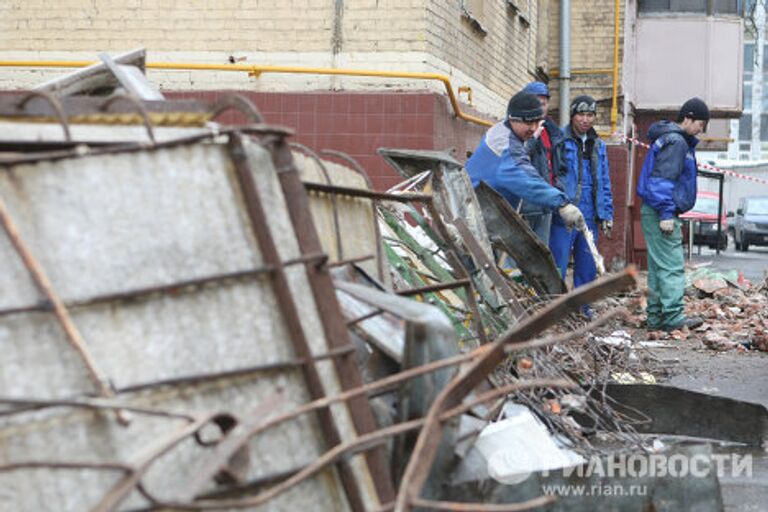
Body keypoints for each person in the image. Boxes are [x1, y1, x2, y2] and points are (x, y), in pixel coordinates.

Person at [465, 91, 585, 236]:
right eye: (529, 122)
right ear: (512, 118)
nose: (534, 128)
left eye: (537, 122)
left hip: (482, 211)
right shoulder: (505, 146)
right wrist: (562, 203)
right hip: (474, 215)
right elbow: (526, 177)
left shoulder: (504, 132)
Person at [637, 97, 709, 332]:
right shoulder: (677, 142)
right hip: (662, 210)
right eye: (700, 123)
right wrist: (667, 212)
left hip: (654, 209)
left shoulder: (670, 139)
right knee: (671, 265)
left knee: (659, 267)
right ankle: (673, 317)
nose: (702, 129)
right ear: (687, 118)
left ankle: (656, 317)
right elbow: (662, 180)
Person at [549, 95, 614, 293]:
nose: (585, 120)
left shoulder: (598, 145)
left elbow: (604, 180)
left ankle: (582, 309)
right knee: (557, 263)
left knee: (587, 265)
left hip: (590, 214)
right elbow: (552, 176)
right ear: (572, 116)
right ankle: (554, 308)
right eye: (581, 115)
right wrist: (559, 205)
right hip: (564, 211)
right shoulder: (559, 139)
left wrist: (607, 214)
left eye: (590, 115)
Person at [520, 81, 563, 244]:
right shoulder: (516, 127)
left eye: (543, 104)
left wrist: (559, 191)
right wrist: (533, 136)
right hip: (524, 205)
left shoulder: (552, 132)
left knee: (541, 251)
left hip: (546, 203)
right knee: (518, 254)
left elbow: (559, 167)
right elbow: (517, 157)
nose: (540, 107)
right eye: (536, 103)